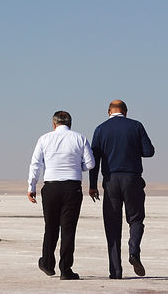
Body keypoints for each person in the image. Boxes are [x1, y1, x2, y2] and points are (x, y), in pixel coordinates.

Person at [89, 99, 155, 279]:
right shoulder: (136, 126)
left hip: (110, 181)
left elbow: (94, 161)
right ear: (125, 111)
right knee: (136, 219)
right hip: (132, 179)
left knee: (112, 225)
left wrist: (93, 185)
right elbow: (149, 151)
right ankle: (134, 251)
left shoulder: (101, 129)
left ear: (108, 111)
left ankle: (116, 271)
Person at [28, 110, 95, 280]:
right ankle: (66, 269)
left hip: (51, 187)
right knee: (68, 229)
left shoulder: (44, 139)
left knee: (50, 226)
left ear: (54, 123)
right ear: (70, 123)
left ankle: (47, 264)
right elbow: (90, 163)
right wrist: (76, 167)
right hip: (72, 188)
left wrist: (32, 186)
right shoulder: (79, 138)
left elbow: (35, 164)